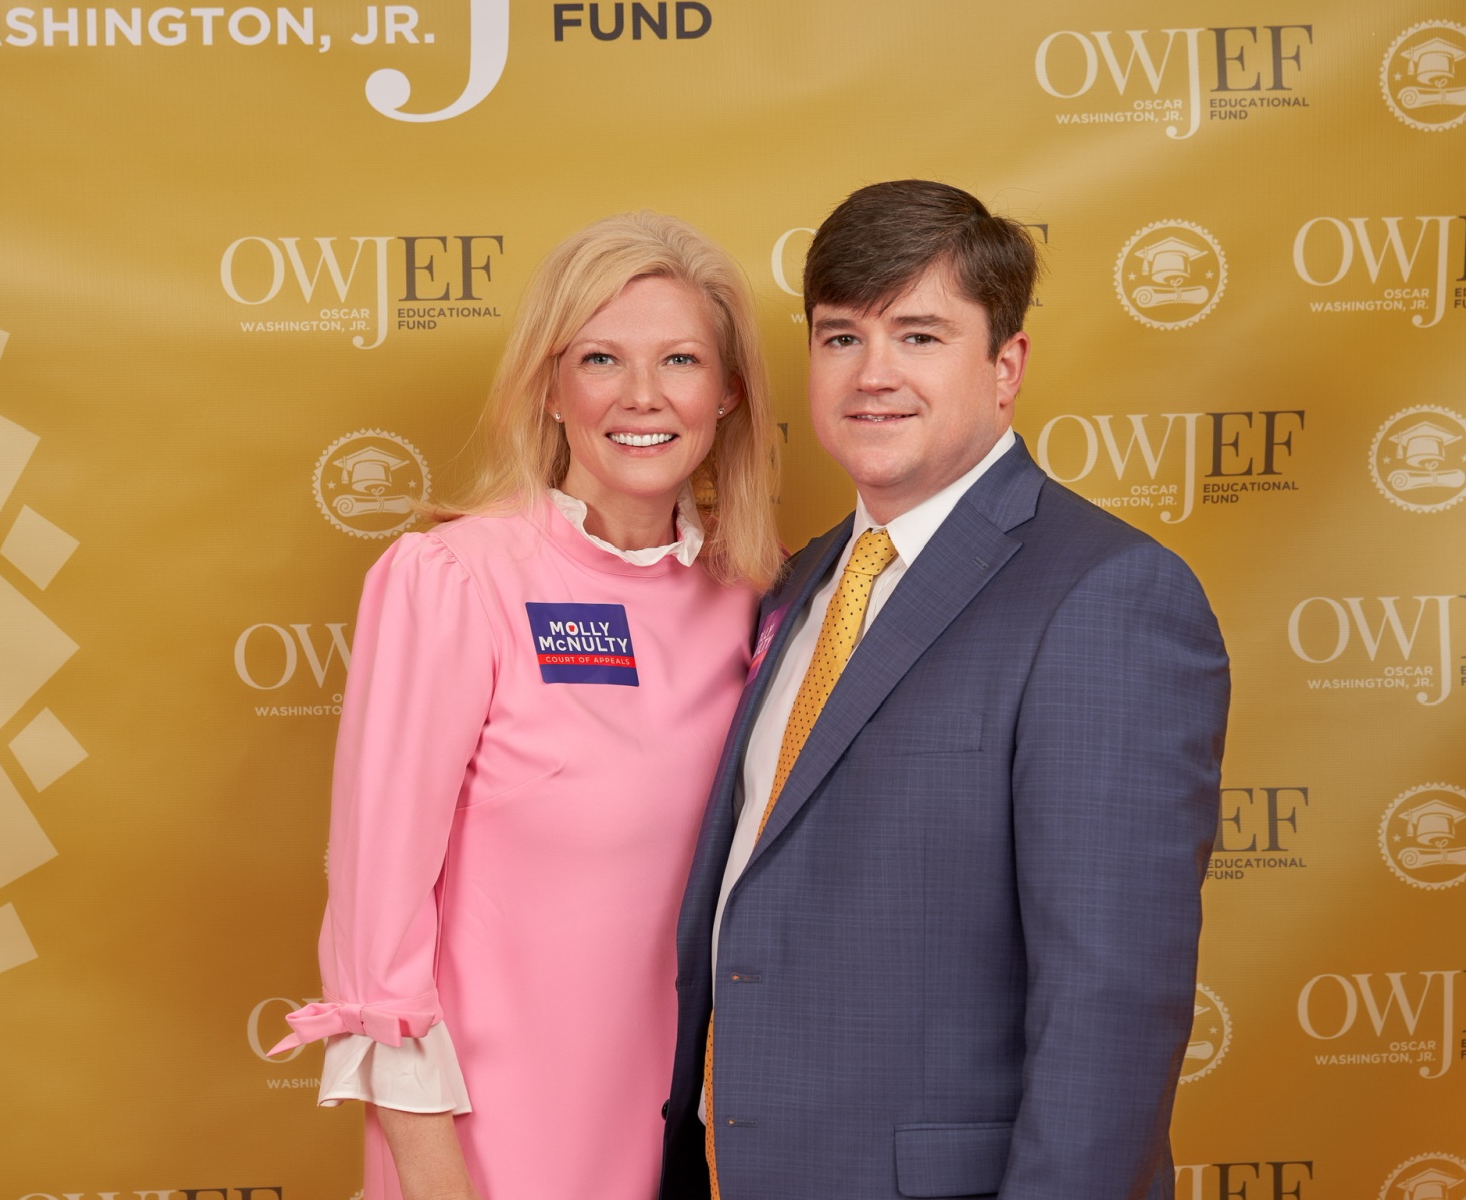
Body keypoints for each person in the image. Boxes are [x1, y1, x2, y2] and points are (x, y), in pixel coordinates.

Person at [660, 180, 1231, 1200]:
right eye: (841, 338)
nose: (872, 374)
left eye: (919, 337)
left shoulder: (1108, 595)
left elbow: (1109, 1006)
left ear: (1006, 367)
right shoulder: (801, 581)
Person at [273, 212, 781, 1200]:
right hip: (489, 1143)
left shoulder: (756, 597)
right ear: (550, 388)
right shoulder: (454, 579)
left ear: (726, 393)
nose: (642, 395)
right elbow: (377, 918)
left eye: (679, 360)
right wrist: (432, 1175)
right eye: (601, 358)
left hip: (697, 1139)